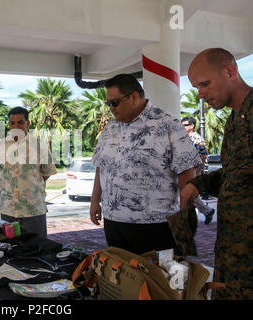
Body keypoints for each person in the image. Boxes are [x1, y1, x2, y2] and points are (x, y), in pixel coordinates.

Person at [90, 74, 201, 255]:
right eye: (108, 104)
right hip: (114, 221)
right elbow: (101, 165)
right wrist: (95, 200)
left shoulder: (168, 123)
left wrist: (183, 217)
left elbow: (186, 172)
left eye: (115, 102)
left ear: (134, 97)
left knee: (159, 279)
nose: (111, 108)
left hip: (156, 224)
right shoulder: (110, 127)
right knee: (123, 278)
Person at [181, 48, 252, 300]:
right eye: (196, 87)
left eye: (205, 84)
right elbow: (236, 173)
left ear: (231, 72)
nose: (200, 94)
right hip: (233, 257)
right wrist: (197, 184)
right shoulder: (234, 120)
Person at [0, 107, 57, 238]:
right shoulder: (0, 146)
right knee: (10, 249)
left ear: (28, 123)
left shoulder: (40, 145)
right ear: (9, 124)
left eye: (20, 122)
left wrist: (29, 183)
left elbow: (46, 173)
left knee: (37, 249)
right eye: (12, 123)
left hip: (33, 209)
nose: (16, 126)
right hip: (7, 210)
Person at [181, 117, 215, 224]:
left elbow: (203, 154)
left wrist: (197, 171)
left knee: (188, 193)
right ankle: (207, 211)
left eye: (185, 125)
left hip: (194, 170)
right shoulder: (184, 138)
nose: (182, 127)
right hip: (186, 170)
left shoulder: (197, 138)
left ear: (192, 126)